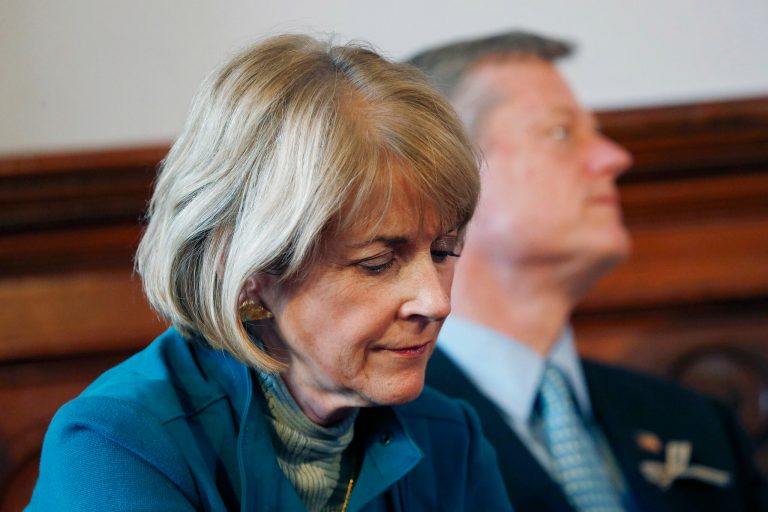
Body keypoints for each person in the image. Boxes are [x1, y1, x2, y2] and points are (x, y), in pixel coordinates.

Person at [27, 34, 513, 512]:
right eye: (377, 263)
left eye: (444, 251)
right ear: (248, 271)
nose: (436, 302)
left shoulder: (451, 439)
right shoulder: (118, 446)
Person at [410, 31, 768, 511]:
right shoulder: (375, 428)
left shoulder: (696, 424)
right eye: (561, 132)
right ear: (443, 177)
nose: (615, 157)